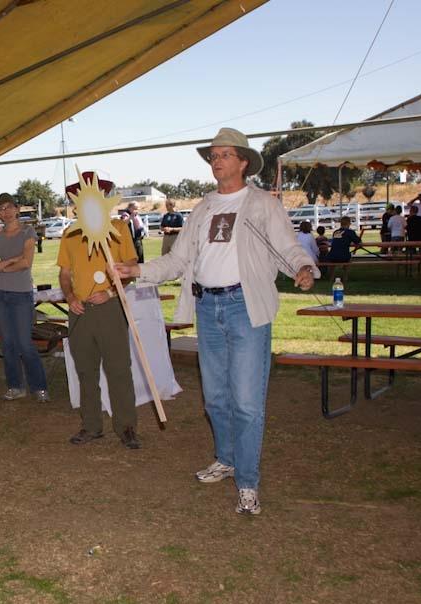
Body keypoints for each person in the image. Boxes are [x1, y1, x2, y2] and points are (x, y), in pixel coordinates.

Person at [115, 127, 318, 515]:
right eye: (213, 156)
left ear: (243, 162)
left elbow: (288, 248)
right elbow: (178, 260)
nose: (216, 161)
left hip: (245, 308)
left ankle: (248, 482)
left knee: (247, 402)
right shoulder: (203, 208)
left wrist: (303, 268)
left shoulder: (263, 204)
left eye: (224, 155)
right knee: (216, 399)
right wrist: (137, 269)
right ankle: (226, 459)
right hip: (207, 308)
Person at [59, 177, 140, 450]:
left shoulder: (118, 228)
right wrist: (70, 297)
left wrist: (112, 292)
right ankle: (91, 426)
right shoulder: (70, 234)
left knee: (119, 370)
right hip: (80, 311)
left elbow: (130, 267)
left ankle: (126, 427)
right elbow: (65, 274)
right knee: (85, 372)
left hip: (110, 309)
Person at [0, 193, 48, 402]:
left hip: (21, 294)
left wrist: (0, 266)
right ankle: (15, 386)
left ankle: (39, 387)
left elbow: (26, 263)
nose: (6, 212)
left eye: (9, 207)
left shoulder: (28, 232)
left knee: (24, 343)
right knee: (8, 343)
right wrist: (10, 262)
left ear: (17, 209)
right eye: (2, 209)